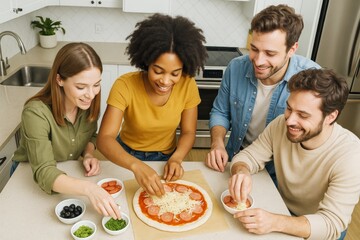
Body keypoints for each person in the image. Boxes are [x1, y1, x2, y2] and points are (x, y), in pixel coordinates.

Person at [228, 68, 360, 240]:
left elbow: (331, 224)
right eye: (289, 109)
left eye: (303, 115)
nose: (289, 121)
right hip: (281, 209)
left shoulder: (351, 156)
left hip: (318, 227)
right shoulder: (279, 125)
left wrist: (276, 222)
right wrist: (241, 171)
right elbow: (248, 157)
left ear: (331, 117)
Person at [96, 14, 207, 197]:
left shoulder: (188, 84)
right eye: (158, 71)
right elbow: (104, 138)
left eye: (175, 74)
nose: (165, 81)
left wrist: (177, 158)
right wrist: (136, 166)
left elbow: (188, 132)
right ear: (146, 61)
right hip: (125, 156)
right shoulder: (125, 85)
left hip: (167, 157)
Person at [206, 4, 321, 180]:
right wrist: (217, 144)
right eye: (254, 49)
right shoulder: (236, 67)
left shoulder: (313, 79)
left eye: (270, 53)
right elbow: (221, 112)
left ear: (292, 49)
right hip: (237, 158)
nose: (258, 61)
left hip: (280, 171)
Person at [11, 42, 121, 220]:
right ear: (59, 79)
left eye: (96, 84)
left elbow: (91, 135)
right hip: (28, 174)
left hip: (67, 173)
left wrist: (88, 154)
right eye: (81, 87)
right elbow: (44, 172)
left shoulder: (87, 102)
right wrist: (90, 189)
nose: (91, 94)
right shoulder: (35, 113)